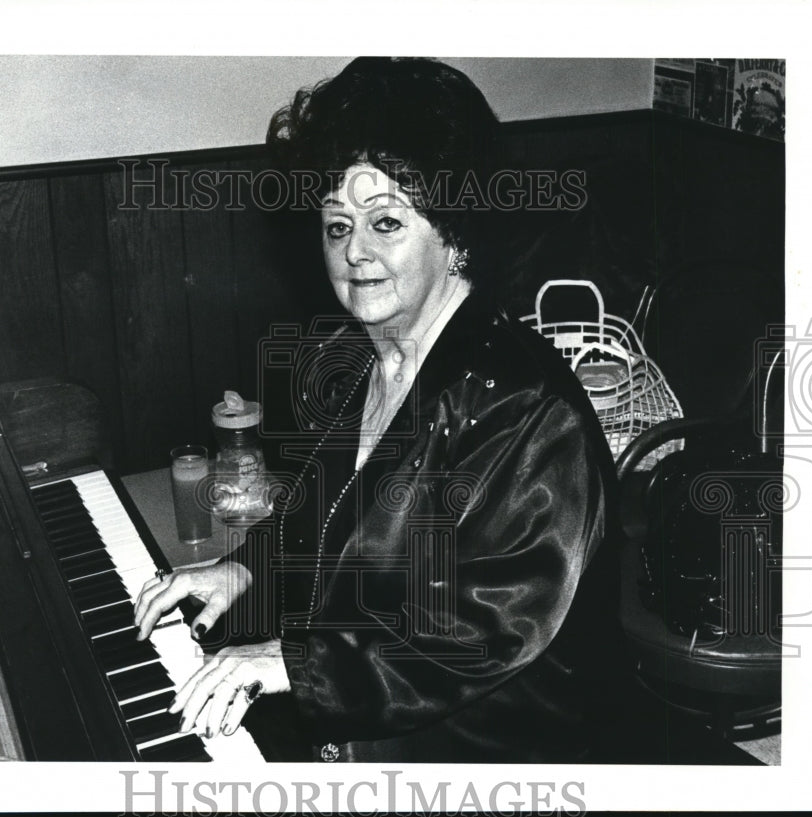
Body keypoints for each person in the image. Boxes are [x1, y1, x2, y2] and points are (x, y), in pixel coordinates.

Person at [134, 57, 625, 763]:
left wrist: (287, 661)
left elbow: (481, 628)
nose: (354, 252)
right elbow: (326, 517)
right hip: (362, 724)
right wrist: (242, 570)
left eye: (385, 222)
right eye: (337, 226)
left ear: (454, 235)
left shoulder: (527, 407)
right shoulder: (371, 356)